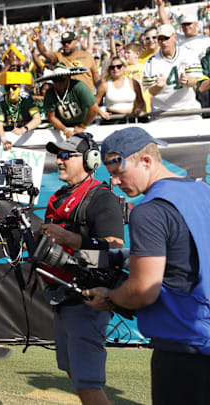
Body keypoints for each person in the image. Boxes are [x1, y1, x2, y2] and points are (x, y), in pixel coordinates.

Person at [85, 126, 210, 405]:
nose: (115, 182)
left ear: (146, 161)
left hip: (184, 351)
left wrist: (111, 297)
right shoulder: (204, 191)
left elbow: (143, 290)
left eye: (118, 171)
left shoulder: (150, 209)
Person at [39, 133, 124, 405]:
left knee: (87, 383)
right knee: (73, 372)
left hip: (87, 299)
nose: (59, 161)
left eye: (67, 155)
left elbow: (113, 252)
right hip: (62, 296)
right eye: (58, 155)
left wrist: (72, 241)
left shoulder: (100, 198)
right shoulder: (58, 198)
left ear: (90, 160)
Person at [142, 24, 205, 117]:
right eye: (160, 39)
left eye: (166, 38)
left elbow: (194, 80)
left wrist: (187, 81)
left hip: (188, 109)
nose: (163, 42)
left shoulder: (189, 54)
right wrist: (159, 87)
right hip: (162, 112)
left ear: (174, 37)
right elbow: (151, 91)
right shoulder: (151, 62)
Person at [40, 63, 100, 138]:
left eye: (62, 79)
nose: (58, 83)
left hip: (86, 125)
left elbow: (94, 108)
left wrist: (83, 126)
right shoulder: (49, 93)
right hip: (63, 127)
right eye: (55, 80)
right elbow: (51, 116)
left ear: (68, 77)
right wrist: (65, 130)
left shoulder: (79, 87)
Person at [34, 30, 100, 93]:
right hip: (69, 98)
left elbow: (96, 78)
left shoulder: (87, 56)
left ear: (76, 42)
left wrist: (99, 94)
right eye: (64, 42)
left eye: (69, 42)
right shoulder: (59, 56)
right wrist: (38, 41)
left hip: (88, 97)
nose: (66, 44)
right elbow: (45, 52)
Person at [0, 72, 42, 150]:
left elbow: (37, 119)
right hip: (10, 135)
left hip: (28, 139)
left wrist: (23, 129)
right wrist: (4, 140)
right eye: (7, 88)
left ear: (19, 88)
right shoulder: (1, 102)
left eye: (14, 88)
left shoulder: (26, 99)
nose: (10, 91)